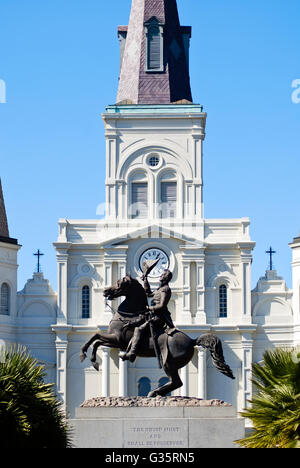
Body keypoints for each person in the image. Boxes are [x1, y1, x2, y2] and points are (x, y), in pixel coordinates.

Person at [121, 269, 175, 363]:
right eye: (161, 274)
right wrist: (145, 279)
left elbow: (162, 305)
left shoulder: (166, 289)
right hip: (153, 315)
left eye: (162, 275)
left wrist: (149, 308)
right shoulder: (160, 289)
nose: (160, 276)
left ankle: (132, 353)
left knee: (139, 329)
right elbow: (149, 293)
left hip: (159, 317)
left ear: (166, 277)